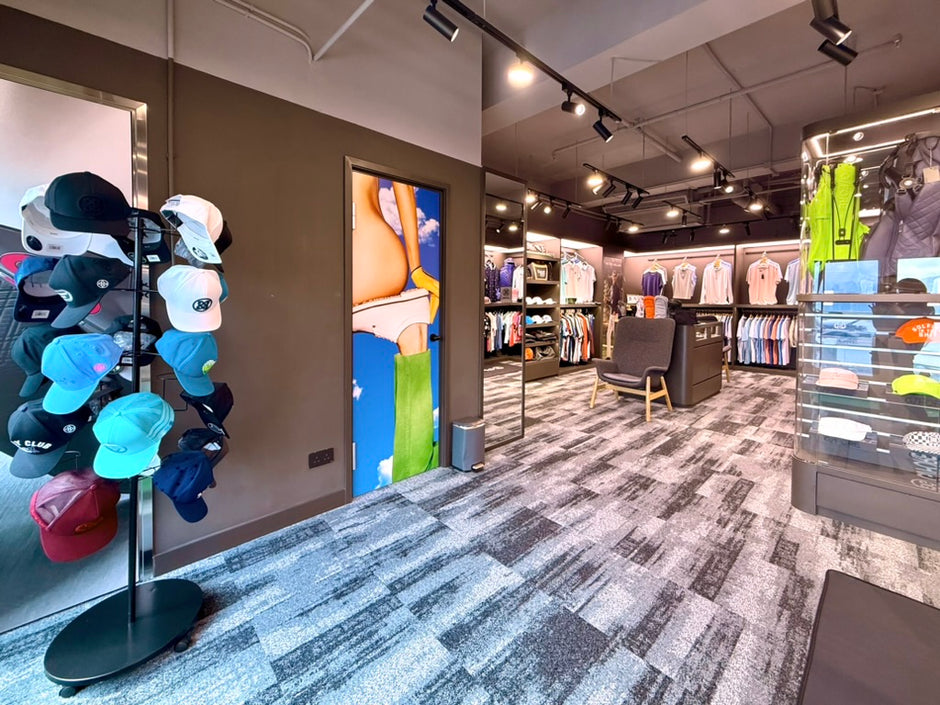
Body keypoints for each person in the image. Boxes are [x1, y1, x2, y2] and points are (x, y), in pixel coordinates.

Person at [351, 171, 440, 482]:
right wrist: (416, 268)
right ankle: (417, 470)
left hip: (352, 263)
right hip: (387, 258)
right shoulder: (374, 153)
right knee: (415, 347)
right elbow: (405, 187)